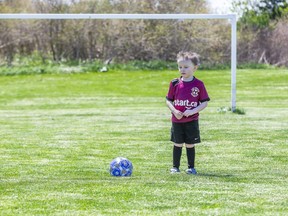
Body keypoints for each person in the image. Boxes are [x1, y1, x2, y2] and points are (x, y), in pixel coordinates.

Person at [166, 51, 210, 174]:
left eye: (186, 67)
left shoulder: (199, 84)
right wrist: (174, 111)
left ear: (195, 68)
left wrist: (192, 111)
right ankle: (175, 167)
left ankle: (191, 167)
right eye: (180, 67)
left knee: (190, 144)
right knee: (177, 143)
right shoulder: (174, 83)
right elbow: (168, 101)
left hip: (191, 120)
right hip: (177, 120)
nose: (182, 69)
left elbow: (204, 103)